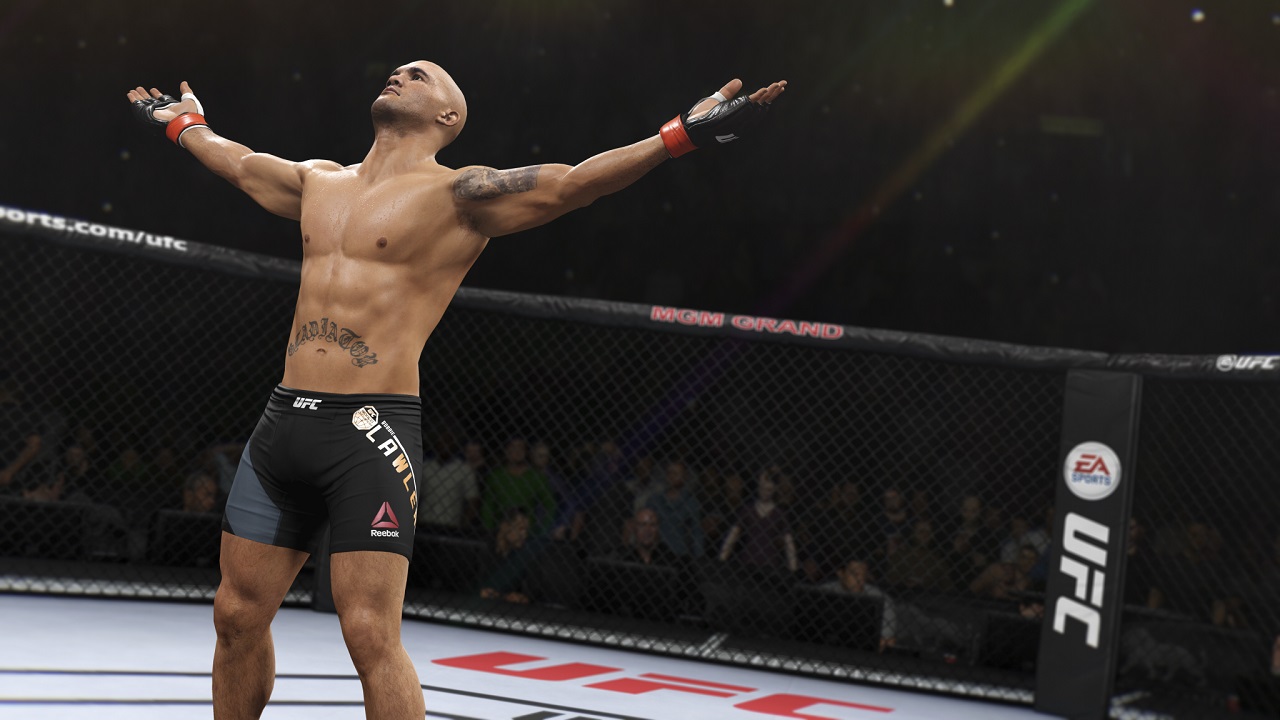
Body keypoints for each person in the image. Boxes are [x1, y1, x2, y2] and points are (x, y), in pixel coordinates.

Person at [127, 61, 786, 719]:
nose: (399, 74)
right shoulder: (318, 180)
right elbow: (240, 163)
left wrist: (678, 136)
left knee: (369, 633)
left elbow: (573, 184)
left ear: (449, 115)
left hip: (369, 433)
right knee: (236, 614)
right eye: (397, 70)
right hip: (283, 424)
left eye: (419, 75)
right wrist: (184, 126)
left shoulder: (460, 195)